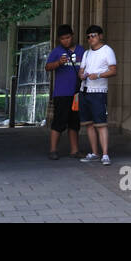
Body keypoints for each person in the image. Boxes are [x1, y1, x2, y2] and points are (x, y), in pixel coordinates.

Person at [78, 25, 117, 165]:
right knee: (88, 124)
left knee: (101, 124)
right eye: (88, 37)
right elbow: (81, 71)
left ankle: (105, 154)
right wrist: (82, 75)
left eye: (93, 35)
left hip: (98, 92)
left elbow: (113, 70)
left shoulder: (107, 51)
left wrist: (99, 75)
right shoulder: (87, 53)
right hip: (85, 90)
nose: (90, 39)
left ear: (100, 36)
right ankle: (95, 152)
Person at [43, 25, 84, 160]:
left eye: (68, 37)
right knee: (59, 122)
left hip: (77, 93)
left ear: (72, 36)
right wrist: (58, 63)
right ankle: (53, 150)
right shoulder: (57, 51)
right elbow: (47, 67)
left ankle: (75, 150)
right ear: (59, 40)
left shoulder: (81, 50)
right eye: (62, 39)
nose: (66, 41)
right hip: (61, 93)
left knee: (74, 122)